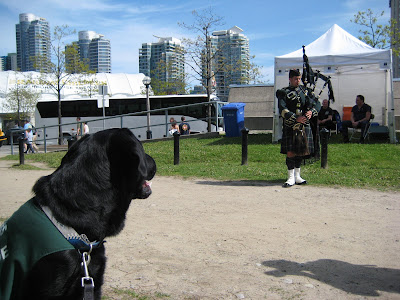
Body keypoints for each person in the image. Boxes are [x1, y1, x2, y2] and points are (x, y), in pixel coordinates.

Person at [276, 69, 321, 188]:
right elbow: (282, 109)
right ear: (290, 79)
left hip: (303, 125)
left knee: (301, 150)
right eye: (296, 79)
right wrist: (296, 118)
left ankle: (297, 176)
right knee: (291, 151)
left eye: (299, 78)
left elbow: (318, 104)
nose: (298, 81)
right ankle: (290, 177)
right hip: (291, 126)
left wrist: (312, 112)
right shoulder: (283, 92)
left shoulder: (306, 91)